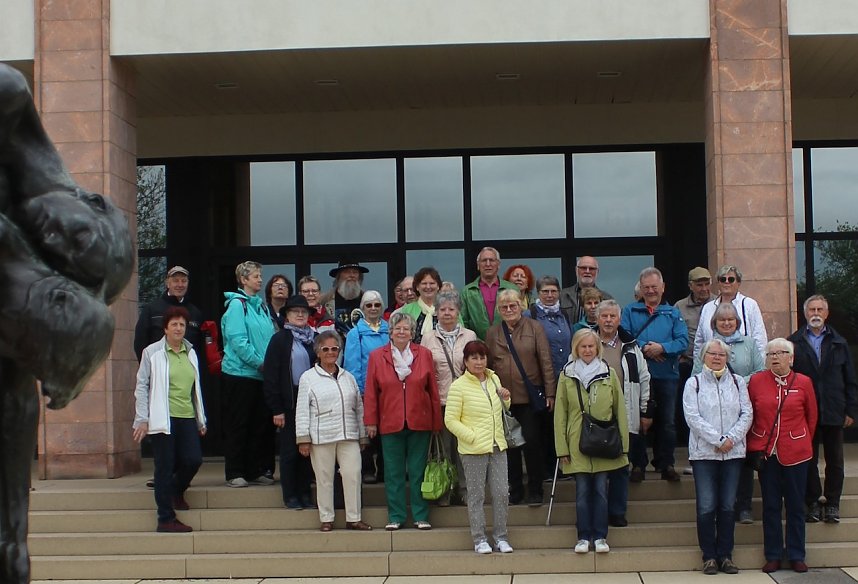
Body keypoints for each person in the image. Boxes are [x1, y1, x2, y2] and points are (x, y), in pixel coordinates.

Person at [363, 312, 442, 531]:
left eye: (406, 329)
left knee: (418, 471)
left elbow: (432, 391)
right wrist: (370, 421)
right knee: (393, 472)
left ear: (412, 333)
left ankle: (420, 515)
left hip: (420, 421)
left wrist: (436, 423)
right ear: (390, 332)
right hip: (390, 421)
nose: (401, 332)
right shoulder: (377, 356)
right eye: (397, 328)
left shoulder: (424, 354)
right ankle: (396, 516)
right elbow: (371, 392)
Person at [133, 306, 207, 533]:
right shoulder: (152, 352)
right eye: (173, 324)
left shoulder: (191, 352)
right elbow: (142, 386)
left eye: (182, 325)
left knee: (193, 460)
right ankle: (165, 518)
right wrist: (142, 419)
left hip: (186, 416)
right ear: (165, 328)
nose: (178, 328)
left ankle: (175, 491)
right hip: (161, 418)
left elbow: (196, 389)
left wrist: (200, 419)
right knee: (163, 468)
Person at [555, 328, 628, 554]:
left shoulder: (609, 373)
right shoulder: (566, 374)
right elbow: (560, 413)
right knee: (582, 492)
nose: (587, 350)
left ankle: (600, 536)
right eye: (583, 346)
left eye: (591, 346)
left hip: (604, 441)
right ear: (576, 349)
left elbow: (620, 411)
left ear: (598, 348)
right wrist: (561, 448)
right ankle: (583, 536)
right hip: (577, 441)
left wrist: (624, 446)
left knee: (601, 491)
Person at [748, 339, 817, 574]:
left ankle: (797, 554)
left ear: (791, 358)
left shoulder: (804, 382)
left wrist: (801, 439)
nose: (775, 357)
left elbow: (812, 417)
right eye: (771, 353)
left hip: (796, 453)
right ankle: (774, 555)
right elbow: (751, 414)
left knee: (796, 506)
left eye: (781, 353)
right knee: (771, 506)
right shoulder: (756, 381)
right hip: (768, 453)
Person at [683, 338, 752, 575]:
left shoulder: (738, 382)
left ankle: (726, 555)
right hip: (704, 454)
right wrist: (718, 440)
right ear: (704, 357)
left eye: (721, 354)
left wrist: (731, 438)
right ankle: (709, 556)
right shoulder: (694, 383)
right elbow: (692, 417)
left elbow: (747, 413)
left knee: (727, 506)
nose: (716, 357)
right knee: (706, 506)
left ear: (727, 357)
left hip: (733, 454)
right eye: (712, 354)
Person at [787, 295, 858, 524]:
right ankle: (813, 502)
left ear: (826, 314)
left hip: (834, 408)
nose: (815, 313)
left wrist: (851, 409)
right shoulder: (793, 342)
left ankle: (833, 503)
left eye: (820, 309)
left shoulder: (839, 343)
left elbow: (850, 379)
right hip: (804, 412)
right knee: (807, 458)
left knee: (835, 460)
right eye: (811, 309)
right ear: (805, 313)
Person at [692, 302, 765, 524]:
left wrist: (738, 382)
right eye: (722, 320)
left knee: (741, 460)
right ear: (714, 323)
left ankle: (743, 506)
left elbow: (761, 371)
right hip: (711, 414)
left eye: (730, 320)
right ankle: (721, 506)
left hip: (742, 410)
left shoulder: (749, 344)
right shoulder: (708, 346)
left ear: (737, 322)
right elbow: (695, 375)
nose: (726, 323)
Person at [296, 331, 372, 532]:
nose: (331, 353)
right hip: (322, 436)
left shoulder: (348, 377)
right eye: (326, 349)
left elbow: (359, 407)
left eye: (335, 349)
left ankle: (354, 518)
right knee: (324, 478)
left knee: (352, 474)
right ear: (318, 352)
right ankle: (327, 518)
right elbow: (302, 410)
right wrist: (303, 438)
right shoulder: (308, 378)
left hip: (349, 435)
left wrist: (363, 434)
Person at [486, 288, 555, 507]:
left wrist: (550, 392)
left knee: (532, 442)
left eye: (513, 305)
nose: (508, 310)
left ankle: (535, 489)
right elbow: (487, 366)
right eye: (504, 307)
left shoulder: (535, 328)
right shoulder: (492, 333)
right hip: (503, 398)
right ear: (499, 310)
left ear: (521, 305)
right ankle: (515, 489)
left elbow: (545, 360)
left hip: (529, 396)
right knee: (509, 446)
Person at [620, 267, 688, 482]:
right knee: (639, 421)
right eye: (646, 287)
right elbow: (624, 336)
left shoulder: (674, 313)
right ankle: (638, 464)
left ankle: (666, 463)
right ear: (640, 288)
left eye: (654, 287)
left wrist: (663, 348)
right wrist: (648, 348)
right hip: (638, 376)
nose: (650, 291)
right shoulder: (630, 311)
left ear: (662, 288)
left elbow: (683, 341)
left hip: (667, 375)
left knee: (667, 422)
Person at [445, 340, 513, 554]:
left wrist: (507, 398)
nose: (479, 361)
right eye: (474, 357)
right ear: (465, 361)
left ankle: (500, 537)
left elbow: (502, 408)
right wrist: (471, 437)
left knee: (502, 493)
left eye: (482, 357)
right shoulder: (458, 386)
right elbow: (451, 420)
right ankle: (480, 539)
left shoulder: (493, 379)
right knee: (476, 495)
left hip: (497, 445)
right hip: (473, 449)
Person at [595, 300, 652, 525]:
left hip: (625, 414)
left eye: (612, 316)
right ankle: (599, 512)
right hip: (595, 417)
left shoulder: (631, 345)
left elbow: (644, 377)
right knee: (598, 468)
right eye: (604, 316)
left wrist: (646, 409)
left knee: (620, 466)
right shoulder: (586, 342)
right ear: (597, 319)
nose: (608, 320)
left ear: (619, 320)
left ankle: (617, 512)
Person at [221, 261, 277, 488]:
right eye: (255, 276)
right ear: (243, 280)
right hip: (240, 375)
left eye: (260, 275)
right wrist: (259, 362)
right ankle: (234, 471)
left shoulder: (261, 307)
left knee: (259, 425)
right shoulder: (237, 305)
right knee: (239, 424)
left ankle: (253, 469)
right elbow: (237, 340)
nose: (260, 280)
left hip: (260, 376)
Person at [422, 290, 477, 504]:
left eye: (451, 309)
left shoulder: (470, 336)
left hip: (466, 401)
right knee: (443, 449)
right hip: (440, 401)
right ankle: (444, 490)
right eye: (442, 309)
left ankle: (464, 491)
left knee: (464, 450)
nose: (447, 313)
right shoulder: (427, 338)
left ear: (458, 312)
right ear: (436, 312)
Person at [263, 295, 317, 509]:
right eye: (295, 311)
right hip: (289, 402)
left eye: (304, 311)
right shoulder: (280, 340)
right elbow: (271, 376)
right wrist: (276, 408)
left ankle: (305, 493)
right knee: (290, 452)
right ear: (287, 315)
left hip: (311, 401)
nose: (300, 314)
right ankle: (290, 495)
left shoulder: (314, 338)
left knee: (308, 450)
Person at [526, 276, 573, 477]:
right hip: (542, 381)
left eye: (553, 291)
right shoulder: (531, 314)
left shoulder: (564, 314)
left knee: (564, 424)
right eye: (545, 291)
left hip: (566, 378)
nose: (550, 295)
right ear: (538, 293)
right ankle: (547, 469)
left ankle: (563, 466)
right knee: (546, 427)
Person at [343, 290, 390, 484]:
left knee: (386, 433)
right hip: (366, 391)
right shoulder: (356, 334)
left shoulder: (390, 330)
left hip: (388, 391)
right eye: (368, 305)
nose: (373, 309)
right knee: (366, 433)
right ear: (362, 308)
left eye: (377, 305)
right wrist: (359, 391)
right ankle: (368, 469)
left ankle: (385, 470)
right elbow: (352, 365)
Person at [675, 267, 717, 456]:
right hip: (688, 363)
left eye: (706, 283)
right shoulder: (679, 306)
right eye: (699, 284)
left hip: (714, 365)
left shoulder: (719, 303)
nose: (703, 288)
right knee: (687, 407)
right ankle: (688, 446)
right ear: (691, 286)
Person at [694, 265, 767, 361]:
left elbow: (760, 339)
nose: (726, 282)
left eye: (731, 279)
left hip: (744, 365)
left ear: (738, 283)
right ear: (718, 283)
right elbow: (699, 342)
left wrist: (758, 368)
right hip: (712, 364)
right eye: (723, 279)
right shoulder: (708, 308)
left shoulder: (750, 305)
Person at [133, 266, 205, 365]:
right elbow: (140, 342)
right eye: (176, 281)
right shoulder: (152, 309)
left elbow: (200, 347)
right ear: (167, 283)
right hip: (158, 370)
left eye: (184, 281)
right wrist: (148, 369)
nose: (180, 284)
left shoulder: (196, 313)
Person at [461, 247, 518, 340]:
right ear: (478, 265)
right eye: (484, 260)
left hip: (508, 346)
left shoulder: (512, 289)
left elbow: (519, 320)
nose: (488, 264)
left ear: (498, 264)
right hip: (478, 348)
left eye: (491, 260)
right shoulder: (467, 292)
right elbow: (463, 322)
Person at [395, 266, 444, 344]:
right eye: (424, 283)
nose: (428, 287)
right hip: (413, 355)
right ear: (417, 287)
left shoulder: (448, 308)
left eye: (432, 283)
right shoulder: (407, 310)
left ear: (438, 286)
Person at [560, 256, 613, 325]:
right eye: (583, 268)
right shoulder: (562, 296)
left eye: (591, 269)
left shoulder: (607, 299)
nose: (587, 271)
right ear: (576, 270)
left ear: (597, 272)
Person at [322, 260, 369, 338]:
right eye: (347, 272)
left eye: (355, 272)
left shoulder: (368, 300)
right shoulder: (325, 300)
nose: (351, 275)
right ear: (339, 276)